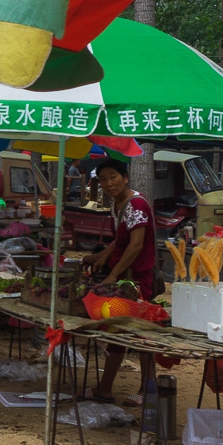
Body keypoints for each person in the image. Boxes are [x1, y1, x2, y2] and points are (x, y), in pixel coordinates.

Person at [84, 154, 157, 402]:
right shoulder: (119, 205)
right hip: (124, 278)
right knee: (119, 331)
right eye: (103, 179)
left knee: (139, 333)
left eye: (113, 177)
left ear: (125, 178)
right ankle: (105, 388)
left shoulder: (137, 205)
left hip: (134, 280)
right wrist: (103, 256)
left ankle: (147, 388)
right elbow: (121, 240)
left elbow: (136, 246)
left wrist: (113, 273)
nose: (108, 183)